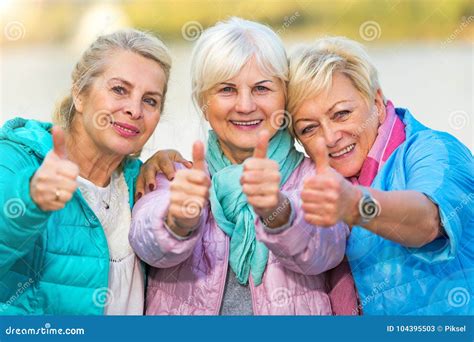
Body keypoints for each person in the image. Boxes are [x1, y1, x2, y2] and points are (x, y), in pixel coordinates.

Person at [129, 18, 358, 315]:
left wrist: (278, 210)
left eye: (262, 88)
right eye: (226, 89)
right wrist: (179, 220)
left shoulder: (316, 177)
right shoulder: (177, 175)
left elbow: (325, 250)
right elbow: (146, 243)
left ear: (284, 96)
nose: (246, 105)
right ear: (203, 102)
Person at [287, 36, 473, 314]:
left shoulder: (433, 148)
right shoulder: (314, 182)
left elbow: (428, 221)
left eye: (341, 114)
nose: (330, 137)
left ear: (375, 101)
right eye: (309, 129)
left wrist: (355, 205)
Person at [0, 29, 172, 315]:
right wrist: (30, 202)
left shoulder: (142, 184)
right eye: (119, 89)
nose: (134, 109)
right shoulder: (16, 159)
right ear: (80, 93)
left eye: (150, 100)